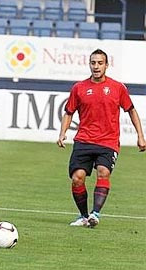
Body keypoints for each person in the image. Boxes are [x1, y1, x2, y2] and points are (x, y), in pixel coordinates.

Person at [57, 49, 145, 228]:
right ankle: (84, 216)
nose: (96, 66)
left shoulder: (118, 87)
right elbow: (68, 112)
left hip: (108, 142)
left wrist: (140, 136)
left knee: (103, 172)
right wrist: (62, 133)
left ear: (106, 65)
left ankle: (95, 214)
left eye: (99, 63)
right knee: (77, 178)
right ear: (89, 64)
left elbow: (131, 110)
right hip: (84, 140)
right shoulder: (79, 88)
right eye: (93, 63)